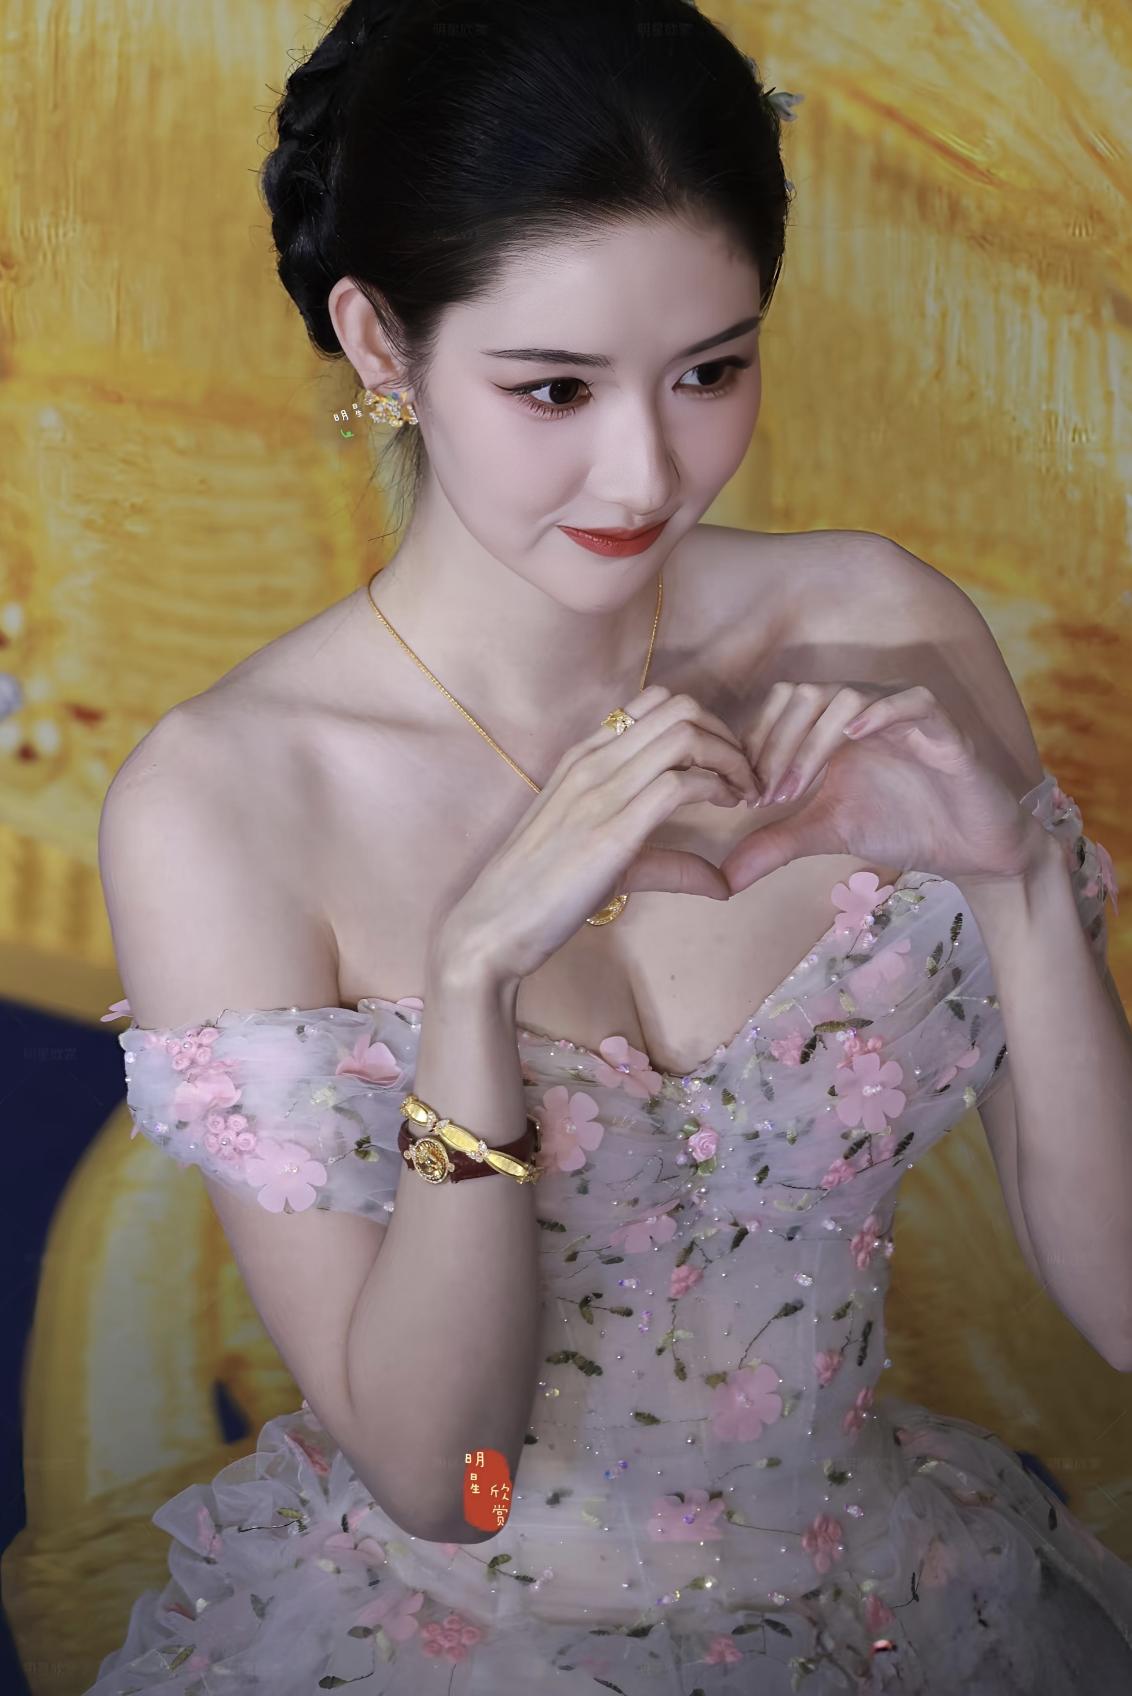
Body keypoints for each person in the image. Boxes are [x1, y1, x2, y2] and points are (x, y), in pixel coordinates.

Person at [87, 0, 1132, 1690]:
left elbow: (1124, 1316)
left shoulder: (876, 628)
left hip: (900, 1606)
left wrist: (1018, 883)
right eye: (555, 388)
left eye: (711, 370)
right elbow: (450, 1484)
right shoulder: (225, 804)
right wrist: (472, 982)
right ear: (379, 342)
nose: (646, 472)